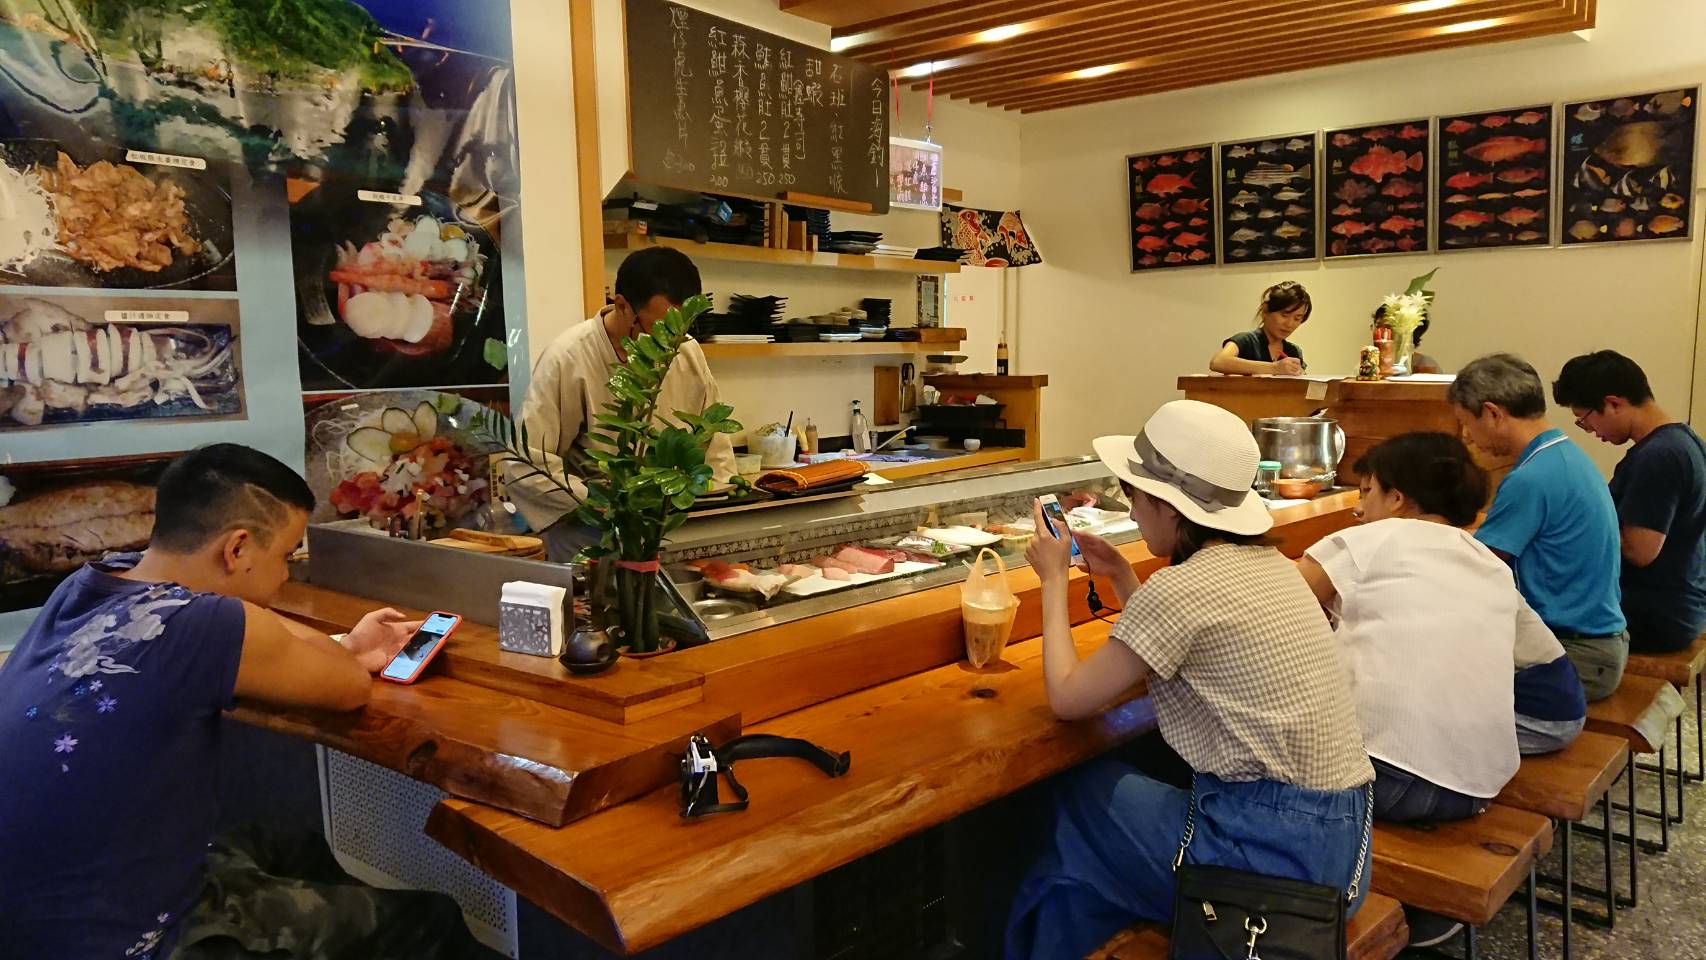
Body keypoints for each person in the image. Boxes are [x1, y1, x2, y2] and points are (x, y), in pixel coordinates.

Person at [0, 444, 480, 959]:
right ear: (237, 549)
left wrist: (346, 646)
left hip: (32, 917)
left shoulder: (90, 584)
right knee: (430, 920)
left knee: (291, 846)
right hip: (129, 940)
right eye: (285, 556)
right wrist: (347, 654)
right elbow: (350, 688)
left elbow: (260, 631)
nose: (286, 577)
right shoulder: (201, 625)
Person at [1006, 399, 1373, 960]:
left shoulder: (1182, 589)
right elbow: (1180, 644)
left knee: (1071, 800)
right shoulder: (1272, 565)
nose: (1130, 514)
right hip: (1345, 854)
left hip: (1268, 864)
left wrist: (1053, 578)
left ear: (1169, 507)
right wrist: (1124, 576)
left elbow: (1067, 697)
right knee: (1083, 862)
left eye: (1133, 496)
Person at [1298, 434, 1585, 827]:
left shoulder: (1370, 539)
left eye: (1367, 494)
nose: (1360, 510)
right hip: (1477, 786)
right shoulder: (1489, 563)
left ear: (1396, 498)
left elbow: (1277, 606)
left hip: (1386, 776)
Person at [510, 247, 738, 560]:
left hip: (665, 530)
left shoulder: (687, 350)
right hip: (591, 538)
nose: (672, 343)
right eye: (661, 330)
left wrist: (712, 502)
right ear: (621, 305)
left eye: (683, 329)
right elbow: (525, 462)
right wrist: (600, 501)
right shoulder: (569, 358)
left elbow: (714, 447)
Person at [1449, 353, 1627, 700]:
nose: (1468, 437)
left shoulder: (1532, 477)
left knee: (1435, 690)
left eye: (1465, 423)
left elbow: (1477, 568)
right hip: (1600, 646)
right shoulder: (1564, 455)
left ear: (1492, 413)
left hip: (1576, 654)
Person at [1553, 350, 1706, 654]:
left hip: (1654, 614)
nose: (1592, 432)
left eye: (1584, 421)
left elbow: (1640, 550)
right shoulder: (1683, 441)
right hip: (1679, 605)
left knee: (1529, 614)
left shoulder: (1659, 457)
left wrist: (1577, 524)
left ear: (1613, 403)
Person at [1208, 280, 1312, 375]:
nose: (1289, 324)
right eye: (1284, 315)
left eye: (1297, 319)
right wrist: (1274, 368)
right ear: (1265, 311)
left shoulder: (1293, 351)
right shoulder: (1246, 340)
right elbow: (1218, 362)